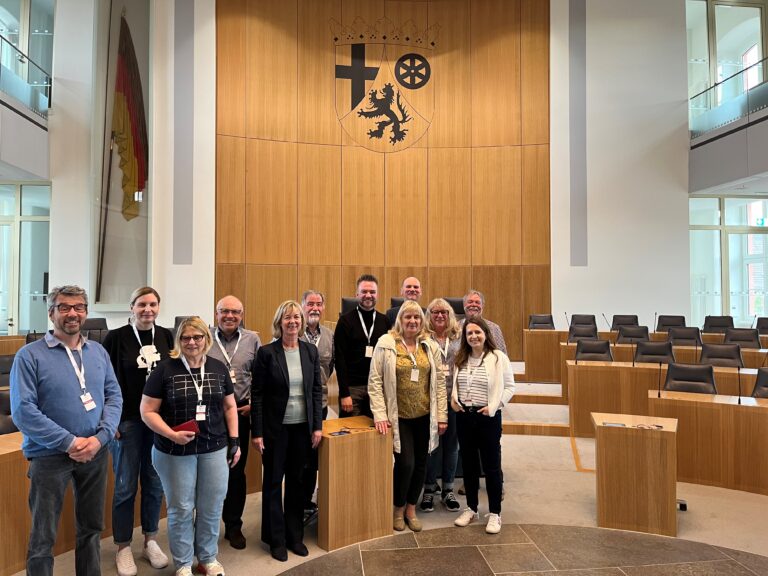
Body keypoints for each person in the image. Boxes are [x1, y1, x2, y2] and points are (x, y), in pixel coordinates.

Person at [10, 285, 123, 576]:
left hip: (96, 454)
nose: (72, 313)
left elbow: (114, 396)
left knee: (91, 528)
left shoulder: (97, 352)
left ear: (85, 312)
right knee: (43, 536)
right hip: (49, 456)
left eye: (78, 307)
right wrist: (70, 442)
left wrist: (99, 439)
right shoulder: (29, 356)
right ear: (51, 313)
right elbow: (24, 412)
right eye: (64, 307)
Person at [140, 317, 240, 576]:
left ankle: (207, 559)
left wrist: (235, 441)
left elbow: (230, 407)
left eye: (197, 337)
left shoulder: (218, 368)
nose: (192, 342)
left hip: (214, 448)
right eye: (186, 338)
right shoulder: (165, 369)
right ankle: (183, 563)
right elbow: (147, 411)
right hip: (174, 451)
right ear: (179, 341)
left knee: (211, 506)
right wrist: (171, 435)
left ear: (206, 339)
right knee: (181, 508)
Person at [102, 286, 173, 576]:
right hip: (127, 423)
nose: (148, 309)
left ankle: (151, 540)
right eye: (142, 304)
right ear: (131, 307)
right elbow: (104, 381)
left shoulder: (167, 335)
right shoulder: (116, 338)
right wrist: (111, 421)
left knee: (155, 484)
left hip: (158, 422)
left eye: (153, 304)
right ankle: (122, 546)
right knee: (125, 487)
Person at [251, 300, 323, 562]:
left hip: (302, 429)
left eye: (296, 317)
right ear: (279, 322)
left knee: (297, 483)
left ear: (302, 322)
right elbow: (256, 395)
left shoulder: (310, 352)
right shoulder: (267, 353)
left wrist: (317, 426)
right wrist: (256, 432)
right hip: (274, 430)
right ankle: (276, 539)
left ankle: (295, 536)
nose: (292, 321)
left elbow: (316, 390)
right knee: (272, 484)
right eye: (287, 317)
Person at [369, 300, 448, 533]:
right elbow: (374, 382)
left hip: (425, 415)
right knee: (406, 463)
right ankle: (398, 507)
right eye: (407, 317)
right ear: (400, 320)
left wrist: (442, 415)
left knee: (422, 463)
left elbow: (440, 383)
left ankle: (411, 509)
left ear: (421, 321)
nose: (412, 321)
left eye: (416, 318)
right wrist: (380, 414)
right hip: (399, 416)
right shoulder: (386, 343)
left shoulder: (428, 344)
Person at [206, 295, 261, 550]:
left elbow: (261, 376)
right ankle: (206, 527)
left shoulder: (253, 339)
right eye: (224, 311)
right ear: (216, 313)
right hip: (211, 414)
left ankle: (233, 526)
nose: (230, 316)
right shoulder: (204, 337)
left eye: (235, 312)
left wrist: (254, 403)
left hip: (241, 413)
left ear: (242, 314)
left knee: (236, 472)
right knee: (210, 471)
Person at [451, 317, 515, 534]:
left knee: (491, 467)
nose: (473, 336)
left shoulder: (498, 358)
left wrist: (495, 406)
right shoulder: (461, 357)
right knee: (468, 466)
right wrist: (454, 398)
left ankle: (495, 513)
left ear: (486, 333)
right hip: (465, 417)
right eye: (469, 333)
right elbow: (457, 384)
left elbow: (510, 387)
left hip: (488, 418)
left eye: (477, 332)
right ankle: (471, 508)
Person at [420, 298, 462, 513]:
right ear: (429, 315)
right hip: (431, 399)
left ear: (450, 315)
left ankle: (448, 489)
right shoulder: (423, 338)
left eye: (444, 312)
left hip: (453, 399)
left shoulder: (458, 337)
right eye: (435, 312)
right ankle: (428, 489)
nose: (439, 315)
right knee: (432, 446)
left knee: (451, 446)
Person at [299, 289, 335, 523]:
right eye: (310, 303)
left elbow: (329, 366)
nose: (314, 308)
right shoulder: (292, 329)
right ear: (302, 306)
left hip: (319, 403)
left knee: (313, 455)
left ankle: (306, 502)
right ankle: (295, 501)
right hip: (295, 404)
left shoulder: (330, 335)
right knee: (297, 456)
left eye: (318, 304)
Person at [334, 274, 389, 418]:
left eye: (372, 292)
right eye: (364, 291)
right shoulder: (345, 321)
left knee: (375, 434)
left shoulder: (385, 321)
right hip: (352, 389)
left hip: (377, 388)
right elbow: (339, 359)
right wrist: (344, 393)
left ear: (377, 294)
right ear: (357, 294)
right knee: (351, 435)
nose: (368, 295)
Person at [462, 290, 508, 355]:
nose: (474, 304)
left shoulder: (494, 328)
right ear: (464, 304)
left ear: (482, 306)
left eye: (477, 302)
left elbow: (502, 354)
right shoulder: (455, 328)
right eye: (470, 302)